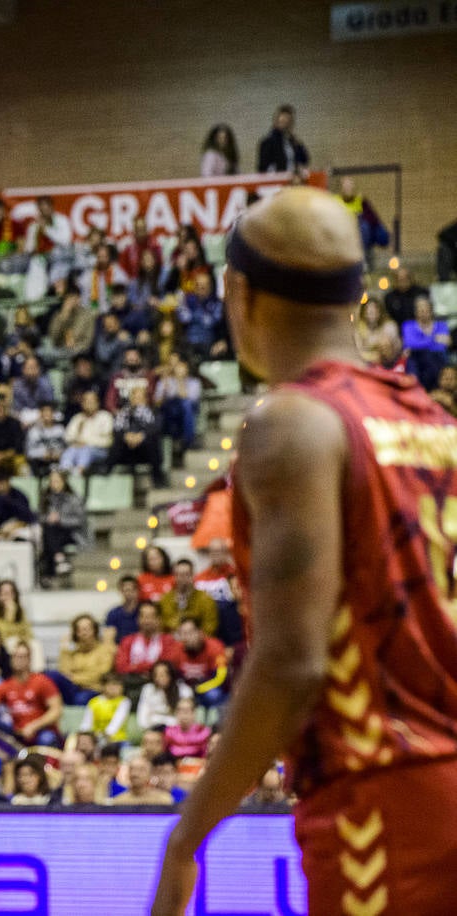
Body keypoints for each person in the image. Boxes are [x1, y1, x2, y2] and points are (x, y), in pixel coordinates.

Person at [153, 187, 457, 915]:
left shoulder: (292, 423)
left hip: (383, 798)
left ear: (238, 292)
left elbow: (293, 661)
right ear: (356, 295)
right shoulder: (432, 420)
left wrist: (186, 837)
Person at [0, 641, 64, 758]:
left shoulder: (42, 681)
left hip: (41, 731)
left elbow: (56, 711)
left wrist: (34, 726)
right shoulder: (8, 685)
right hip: (18, 733)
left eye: (21, 656)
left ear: (29, 659)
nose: (17, 660)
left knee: (47, 738)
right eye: (14, 656)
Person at [118, 602, 184, 683]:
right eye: (143, 616)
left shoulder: (168, 641)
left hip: (159, 685)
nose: (146, 621)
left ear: (159, 619)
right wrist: (152, 665)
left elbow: (167, 667)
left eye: (150, 617)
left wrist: (135, 667)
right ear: (138, 619)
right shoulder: (127, 641)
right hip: (132, 685)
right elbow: (121, 668)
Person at [335, 176, 390, 269]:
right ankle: (360, 258)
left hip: (360, 231)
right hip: (343, 230)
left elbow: (374, 219)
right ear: (340, 188)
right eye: (345, 186)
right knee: (363, 227)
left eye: (350, 185)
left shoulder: (360, 200)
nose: (348, 188)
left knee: (371, 228)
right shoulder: (335, 200)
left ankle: (364, 257)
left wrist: (359, 218)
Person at [158, 559, 219, 636]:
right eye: (179, 575)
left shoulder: (206, 599)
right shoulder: (165, 599)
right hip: (171, 643)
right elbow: (161, 626)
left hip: (198, 643)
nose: (182, 578)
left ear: (193, 576)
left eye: (186, 574)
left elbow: (210, 628)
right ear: (174, 576)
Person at [137, 660, 194, 732]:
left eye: (163, 674)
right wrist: (148, 728)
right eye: (156, 675)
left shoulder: (185, 691)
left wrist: (161, 721)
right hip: (153, 729)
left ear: (171, 675)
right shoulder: (148, 689)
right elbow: (142, 716)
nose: (159, 678)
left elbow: (186, 718)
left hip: (177, 731)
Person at [255, 104, 309, 175]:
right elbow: (262, 168)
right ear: (276, 122)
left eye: (288, 121)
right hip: (277, 180)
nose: (285, 124)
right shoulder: (268, 142)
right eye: (282, 121)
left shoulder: (292, 141)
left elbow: (305, 160)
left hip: (293, 180)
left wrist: (298, 145)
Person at [79, 672, 131, 744]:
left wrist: (103, 738)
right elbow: (86, 725)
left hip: (118, 740)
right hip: (95, 740)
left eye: (119, 685)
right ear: (103, 686)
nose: (116, 688)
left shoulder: (124, 701)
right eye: (112, 684)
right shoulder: (93, 702)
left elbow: (115, 725)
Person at [109, 753, 175, 806]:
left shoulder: (163, 800)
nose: (135, 774)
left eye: (141, 770)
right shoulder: (119, 802)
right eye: (132, 769)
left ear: (150, 774)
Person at [103, 576, 142, 645]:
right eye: (126, 590)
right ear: (120, 591)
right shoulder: (113, 613)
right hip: (120, 649)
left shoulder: (143, 612)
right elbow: (108, 640)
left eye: (132, 590)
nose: (129, 593)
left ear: (137, 591)